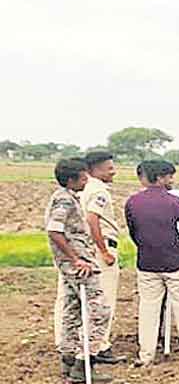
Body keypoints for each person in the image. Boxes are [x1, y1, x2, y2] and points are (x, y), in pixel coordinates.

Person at [125, 160, 179, 366]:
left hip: (147, 261)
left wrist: (145, 246)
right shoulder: (174, 201)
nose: (171, 180)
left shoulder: (133, 202)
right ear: (159, 178)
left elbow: (133, 231)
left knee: (148, 307)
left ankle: (146, 355)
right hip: (175, 261)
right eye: (168, 176)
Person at [53, 150, 123, 364]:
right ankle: (96, 348)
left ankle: (68, 346)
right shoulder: (98, 189)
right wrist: (104, 251)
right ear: (94, 170)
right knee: (101, 301)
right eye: (109, 167)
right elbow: (92, 220)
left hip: (75, 252)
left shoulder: (73, 192)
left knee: (70, 301)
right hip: (93, 252)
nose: (114, 171)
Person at [46, 158, 112, 384]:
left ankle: (68, 357)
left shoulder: (65, 197)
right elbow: (55, 231)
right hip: (79, 266)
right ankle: (85, 361)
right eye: (83, 178)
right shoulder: (64, 201)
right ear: (71, 180)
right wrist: (76, 260)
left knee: (72, 310)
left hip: (72, 264)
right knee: (100, 311)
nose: (87, 181)